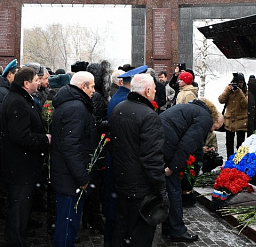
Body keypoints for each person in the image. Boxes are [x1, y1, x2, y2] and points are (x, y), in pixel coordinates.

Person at [110, 73, 165, 246]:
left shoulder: (119, 108)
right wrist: (160, 188)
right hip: (141, 187)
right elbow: (152, 157)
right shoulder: (149, 116)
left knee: (123, 227)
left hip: (122, 180)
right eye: (154, 89)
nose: (155, 92)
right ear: (148, 90)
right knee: (140, 234)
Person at [0, 66, 51, 247]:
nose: (40, 82)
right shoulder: (17, 102)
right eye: (36, 79)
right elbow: (20, 136)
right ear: (26, 83)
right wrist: (44, 139)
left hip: (23, 165)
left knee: (21, 206)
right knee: (18, 207)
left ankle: (19, 235)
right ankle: (15, 241)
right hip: (20, 166)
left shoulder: (22, 98)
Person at [160, 98, 221, 243]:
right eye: (217, 127)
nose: (213, 130)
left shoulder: (194, 109)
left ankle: (168, 226)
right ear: (214, 120)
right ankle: (177, 230)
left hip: (160, 139)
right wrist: (172, 168)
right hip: (167, 144)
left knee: (169, 187)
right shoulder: (205, 119)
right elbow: (186, 146)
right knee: (174, 190)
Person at [50, 71, 97, 247]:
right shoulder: (76, 108)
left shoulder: (71, 104)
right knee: (67, 223)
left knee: (67, 221)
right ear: (83, 86)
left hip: (66, 174)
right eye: (91, 86)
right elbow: (71, 146)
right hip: (69, 178)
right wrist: (82, 177)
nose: (93, 90)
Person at [0, 58, 18, 219]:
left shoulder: (4, 90)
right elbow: (1, 118)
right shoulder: (1, 91)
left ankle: (1, 207)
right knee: (0, 177)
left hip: (1, 141)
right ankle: (0, 209)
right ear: (10, 75)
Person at [218, 72, 248, 158]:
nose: (239, 84)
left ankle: (239, 163)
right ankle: (229, 161)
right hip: (229, 121)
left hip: (241, 122)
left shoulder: (246, 91)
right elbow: (221, 100)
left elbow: (245, 104)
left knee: (240, 145)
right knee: (229, 144)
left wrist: (239, 92)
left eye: (241, 82)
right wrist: (227, 90)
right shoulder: (229, 90)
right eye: (237, 82)